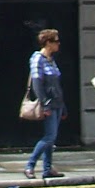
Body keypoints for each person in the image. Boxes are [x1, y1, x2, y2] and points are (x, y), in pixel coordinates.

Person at [23, 28, 66, 179]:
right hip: (48, 103)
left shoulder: (51, 60)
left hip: (57, 103)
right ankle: (30, 165)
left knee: (52, 138)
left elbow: (57, 85)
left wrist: (63, 106)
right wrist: (45, 104)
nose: (58, 44)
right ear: (48, 43)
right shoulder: (37, 59)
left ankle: (47, 168)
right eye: (56, 41)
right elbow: (37, 84)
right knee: (49, 136)